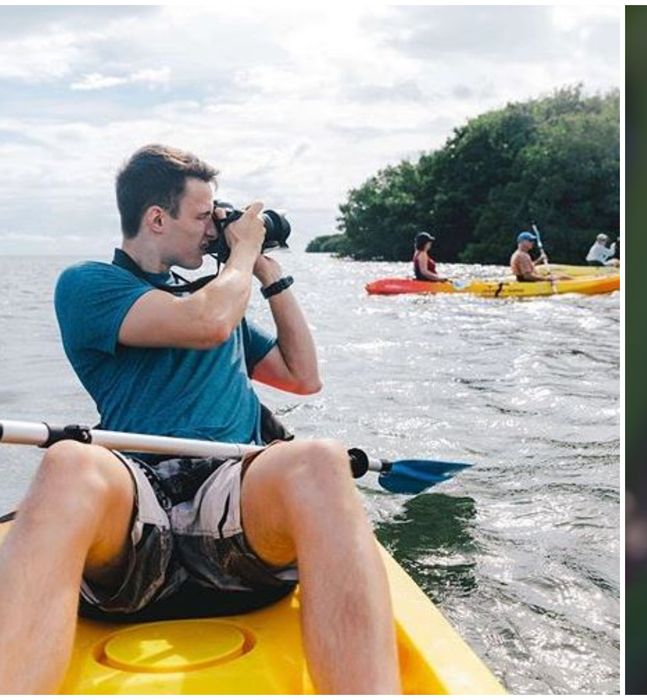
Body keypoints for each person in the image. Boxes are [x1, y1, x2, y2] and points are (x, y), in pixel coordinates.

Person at [0, 145, 399, 692]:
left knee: (318, 458)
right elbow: (205, 322)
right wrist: (240, 256)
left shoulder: (220, 301)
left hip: (229, 505)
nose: (214, 231)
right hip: (137, 513)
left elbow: (303, 377)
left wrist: (266, 273)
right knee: (69, 461)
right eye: (202, 217)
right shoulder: (89, 285)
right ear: (156, 219)